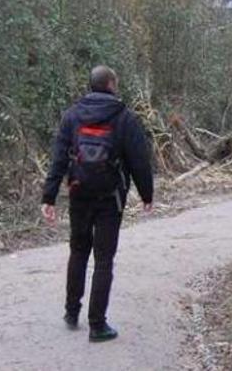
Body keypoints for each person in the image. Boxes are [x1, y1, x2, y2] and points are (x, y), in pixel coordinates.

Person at [41, 65, 154, 343]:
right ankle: (97, 324)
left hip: (79, 194)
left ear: (91, 85)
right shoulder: (125, 117)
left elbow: (59, 157)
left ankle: (71, 312)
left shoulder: (72, 115)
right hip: (110, 199)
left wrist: (49, 196)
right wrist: (147, 194)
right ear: (112, 84)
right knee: (104, 260)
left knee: (78, 251)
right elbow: (139, 159)